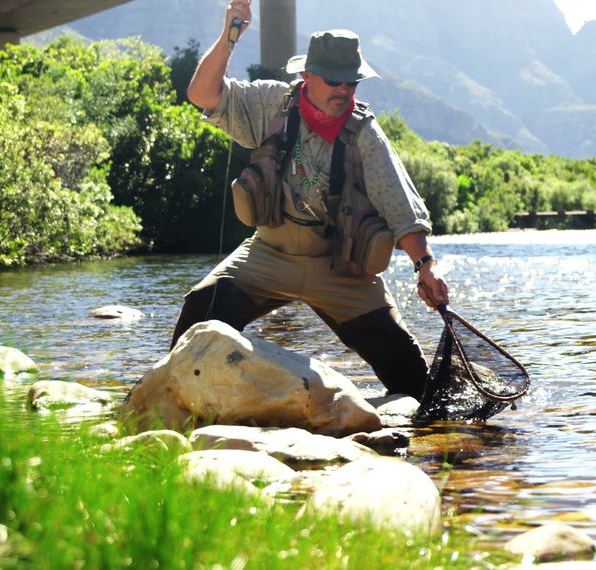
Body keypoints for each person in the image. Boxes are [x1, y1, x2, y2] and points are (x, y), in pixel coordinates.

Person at [173, 0, 449, 400]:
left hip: (339, 268)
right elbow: (202, 93)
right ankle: (172, 403)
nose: (343, 90)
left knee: (410, 376)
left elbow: (401, 208)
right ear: (307, 76)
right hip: (269, 256)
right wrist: (231, 35)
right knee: (199, 310)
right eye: (334, 80)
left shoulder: (366, 135)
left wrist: (426, 267)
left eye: (350, 82)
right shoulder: (271, 104)